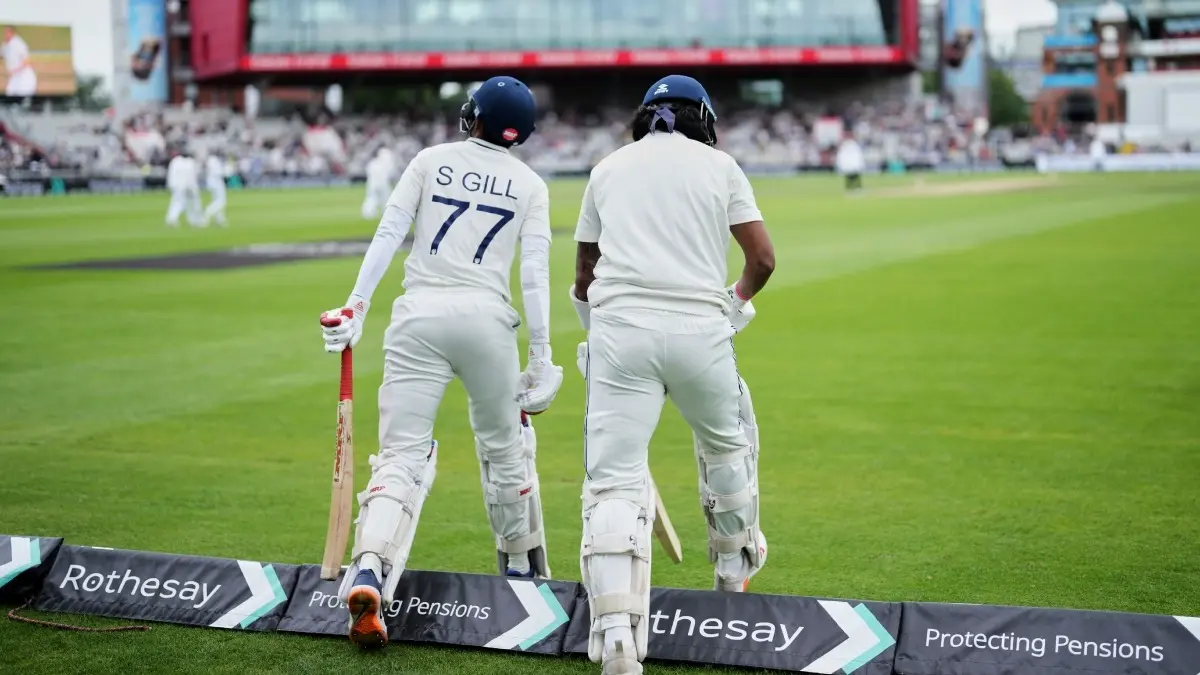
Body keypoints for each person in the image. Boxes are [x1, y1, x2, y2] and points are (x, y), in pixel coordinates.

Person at [319, 75, 565, 649]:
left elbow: (389, 232)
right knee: (507, 452)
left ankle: (370, 571)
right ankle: (520, 574)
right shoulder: (530, 184)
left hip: (419, 317)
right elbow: (532, 275)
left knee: (401, 457)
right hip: (487, 321)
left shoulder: (431, 160)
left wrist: (355, 305)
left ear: (473, 116)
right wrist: (543, 355)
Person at [570, 74, 774, 675]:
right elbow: (761, 259)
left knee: (612, 483)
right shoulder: (721, 166)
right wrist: (733, 305)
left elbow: (585, 274)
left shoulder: (607, 167)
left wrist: (597, 334)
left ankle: (616, 640)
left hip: (621, 333)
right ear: (702, 118)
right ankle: (732, 584)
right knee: (728, 448)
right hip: (699, 333)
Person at [165, 149, 203, 227]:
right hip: (183, 186)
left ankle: (193, 220)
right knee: (181, 203)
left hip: (184, 186)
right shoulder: (181, 162)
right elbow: (173, 174)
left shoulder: (180, 162)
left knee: (189, 203)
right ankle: (172, 219)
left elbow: (192, 175)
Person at [3, 27, 37, 98]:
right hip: (15, 78)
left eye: (7, 33)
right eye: (4, 33)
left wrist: (16, 70)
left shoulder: (19, 44)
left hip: (24, 77)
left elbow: (27, 61)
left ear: (12, 33)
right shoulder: (6, 45)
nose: (5, 35)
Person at [361, 147, 395, 219]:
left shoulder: (373, 163)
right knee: (386, 199)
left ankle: (368, 212)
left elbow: (368, 172)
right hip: (382, 184)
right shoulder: (386, 164)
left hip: (372, 184)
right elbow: (390, 173)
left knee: (372, 198)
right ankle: (386, 212)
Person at [203, 151, 228, 226]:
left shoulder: (210, 160)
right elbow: (218, 172)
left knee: (216, 200)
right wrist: (227, 171)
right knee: (221, 201)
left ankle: (219, 220)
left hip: (212, 183)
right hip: (217, 183)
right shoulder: (214, 161)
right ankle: (208, 212)